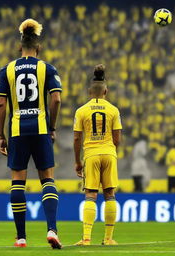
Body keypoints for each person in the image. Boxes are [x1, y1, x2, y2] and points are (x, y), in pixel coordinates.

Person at [0, 19, 62, 249]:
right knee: (47, 180)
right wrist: (51, 127)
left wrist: (0, 135)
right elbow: (56, 99)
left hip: (17, 129)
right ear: (38, 47)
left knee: (17, 183)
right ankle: (52, 230)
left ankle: (21, 237)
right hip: (41, 128)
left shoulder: (8, 69)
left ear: (19, 46)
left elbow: (1, 104)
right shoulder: (47, 68)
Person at [73, 64, 122, 245]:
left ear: (89, 91)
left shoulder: (81, 111)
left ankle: (86, 238)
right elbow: (117, 139)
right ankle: (108, 239)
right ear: (106, 91)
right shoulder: (113, 110)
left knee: (90, 195)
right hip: (109, 153)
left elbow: (77, 139)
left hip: (91, 154)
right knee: (109, 194)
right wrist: (111, 151)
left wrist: (77, 162)